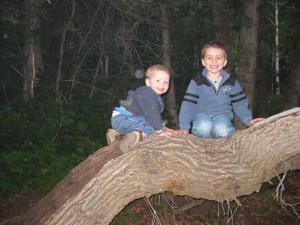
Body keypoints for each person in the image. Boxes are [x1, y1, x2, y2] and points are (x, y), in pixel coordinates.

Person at [177, 41, 263, 138]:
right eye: (209, 58)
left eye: (218, 58)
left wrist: (248, 120)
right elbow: (188, 104)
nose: (214, 61)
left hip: (223, 116)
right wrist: (184, 126)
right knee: (203, 128)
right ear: (203, 62)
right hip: (201, 115)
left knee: (222, 131)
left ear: (225, 62)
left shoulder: (231, 82)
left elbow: (240, 103)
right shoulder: (197, 82)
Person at [107, 64, 176, 153]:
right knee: (152, 129)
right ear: (148, 82)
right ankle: (138, 136)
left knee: (151, 124)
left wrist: (163, 126)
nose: (162, 84)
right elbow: (152, 115)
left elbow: (153, 116)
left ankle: (115, 134)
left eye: (166, 82)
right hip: (124, 119)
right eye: (158, 80)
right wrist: (160, 131)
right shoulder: (148, 95)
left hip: (123, 121)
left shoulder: (154, 97)